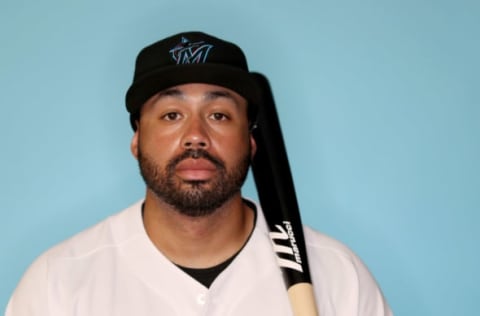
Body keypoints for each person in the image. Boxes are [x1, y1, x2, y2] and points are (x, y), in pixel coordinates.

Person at [6, 31, 393, 316]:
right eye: (171, 115)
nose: (196, 136)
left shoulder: (338, 276)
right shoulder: (58, 284)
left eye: (219, 115)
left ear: (252, 142)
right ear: (137, 139)